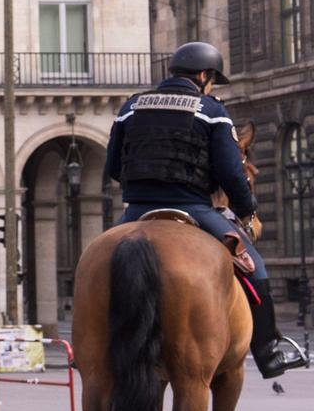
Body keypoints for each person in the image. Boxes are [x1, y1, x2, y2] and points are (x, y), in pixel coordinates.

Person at [105, 41, 309, 378]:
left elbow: (113, 165)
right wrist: (247, 209)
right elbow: (231, 173)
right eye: (212, 80)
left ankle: (93, 350)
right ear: (203, 76)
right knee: (255, 268)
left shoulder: (131, 107)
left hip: (136, 207)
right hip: (192, 206)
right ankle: (268, 352)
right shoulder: (211, 111)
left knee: (96, 262)